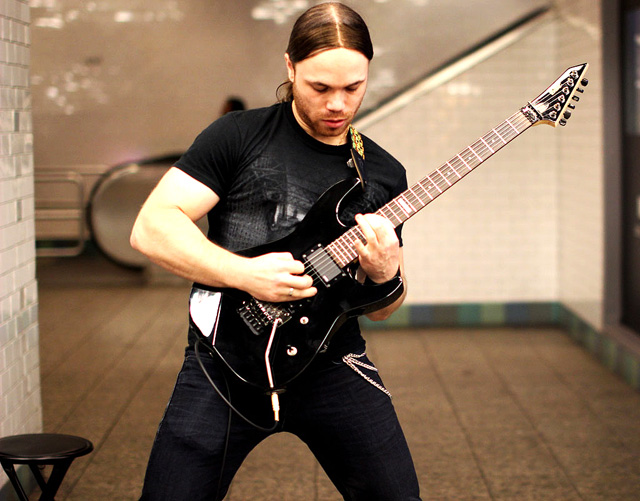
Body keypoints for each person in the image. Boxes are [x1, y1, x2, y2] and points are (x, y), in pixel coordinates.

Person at [131, 3, 421, 500]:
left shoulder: (382, 174)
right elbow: (151, 228)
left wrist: (385, 274)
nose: (338, 105)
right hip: (223, 361)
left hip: (333, 365)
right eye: (320, 88)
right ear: (290, 68)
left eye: (353, 88)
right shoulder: (239, 136)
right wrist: (244, 274)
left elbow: (384, 309)